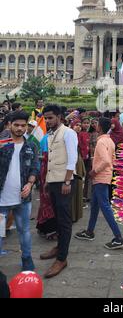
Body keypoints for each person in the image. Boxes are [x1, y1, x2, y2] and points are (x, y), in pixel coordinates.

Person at [75, 117, 123, 249]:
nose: (95, 126)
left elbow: (106, 161)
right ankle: (89, 231)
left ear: (100, 127)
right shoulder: (109, 140)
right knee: (95, 205)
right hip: (104, 176)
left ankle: (118, 237)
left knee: (104, 206)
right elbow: (112, 160)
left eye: (96, 124)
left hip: (101, 177)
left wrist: (94, 171)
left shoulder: (102, 142)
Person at [40, 105, 78, 279]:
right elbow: (52, 159)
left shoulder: (68, 133)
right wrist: (48, 181)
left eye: (50, 118)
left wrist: (67, 180)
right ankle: (58, 248)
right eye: (45, 118)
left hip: (65, 182)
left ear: (59, 117)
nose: (47, 121)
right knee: (56, 217)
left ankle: (62, 258)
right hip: (53, 181)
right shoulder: (51, 134)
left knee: (64, 220)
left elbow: (72, 158)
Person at [0, 111, 39, 271]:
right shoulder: (2, 143)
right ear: (9, 125)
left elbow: (35, 168)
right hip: (2, 200)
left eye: (23, 125)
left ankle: (27, 259)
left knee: (24, 232)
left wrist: (30, 184)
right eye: (16, 125)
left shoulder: (31, 146)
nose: (20, 128)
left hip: (23, 199)